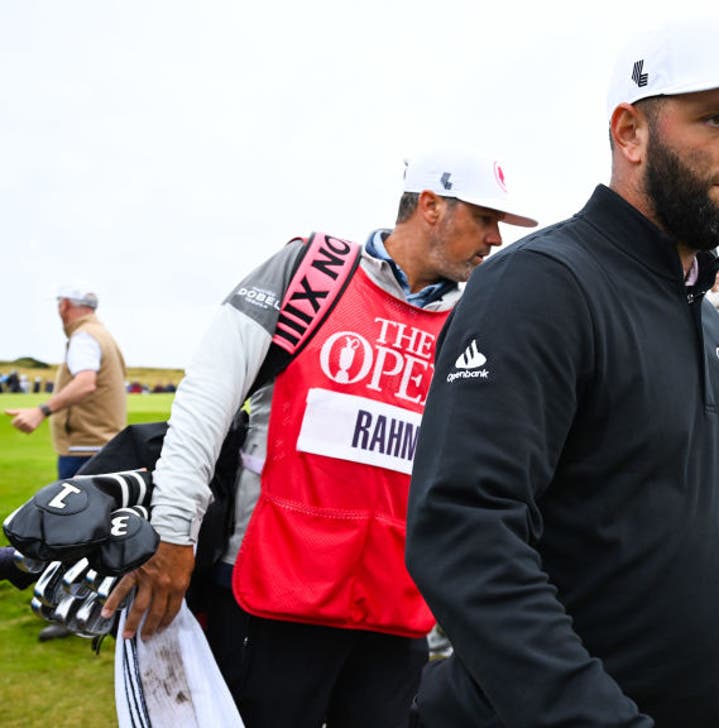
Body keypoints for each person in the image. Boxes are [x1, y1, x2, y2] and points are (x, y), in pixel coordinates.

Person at [403, 19, 719, 727]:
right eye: (715, 118)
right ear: (630, 133)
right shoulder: (541, 286)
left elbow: (708, 465)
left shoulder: (701, 312)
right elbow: (464, 531)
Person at [100, 151, 538, 727]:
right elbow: (204, 403)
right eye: (484, 218)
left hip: (394, 613)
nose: (495, 238)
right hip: (273, 597)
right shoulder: (310, 273)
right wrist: (173, 535)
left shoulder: (478, 317)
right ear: (431, 206)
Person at [6, 287, 126, 480]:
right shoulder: (101, 334)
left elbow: (85, 383)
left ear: (65, 305)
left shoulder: (84, 337)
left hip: (85, 447)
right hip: (103, 444)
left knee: (75, 509)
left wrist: (40, 411)